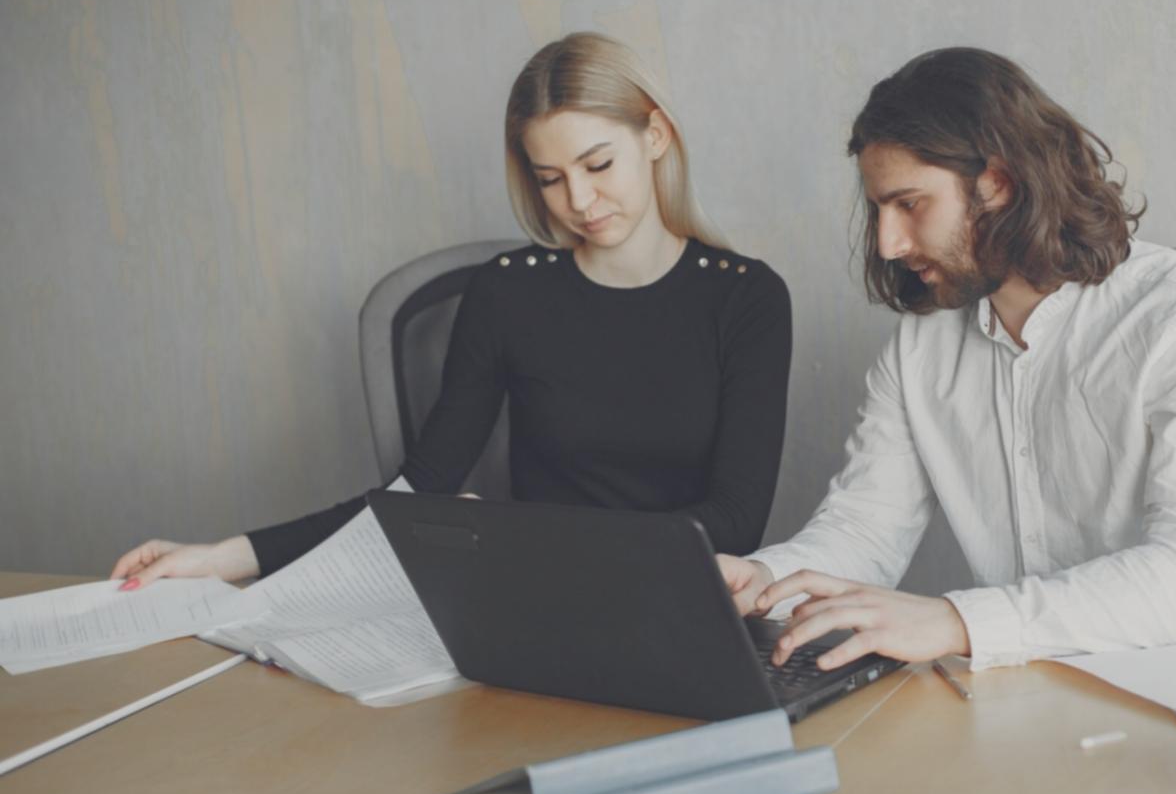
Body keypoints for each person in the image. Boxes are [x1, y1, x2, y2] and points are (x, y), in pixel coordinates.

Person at [112, 32, 791, 589]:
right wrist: (222, 558)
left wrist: (518, 537)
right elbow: (420, 488)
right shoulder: (508, 293)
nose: (579, 202)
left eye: (597, 164)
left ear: (655, 136)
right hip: (531, 597)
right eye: (550, 179)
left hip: (674, 599)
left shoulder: (745, 298)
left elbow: (734, 521)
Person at [717, 47, 1176, 673]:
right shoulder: (921, 347)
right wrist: (761, 578)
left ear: (996, 183)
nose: (888, 243)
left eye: (910, 204)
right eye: (879, 209)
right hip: (1045, 690)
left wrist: (957, 621)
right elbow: (865, 528)